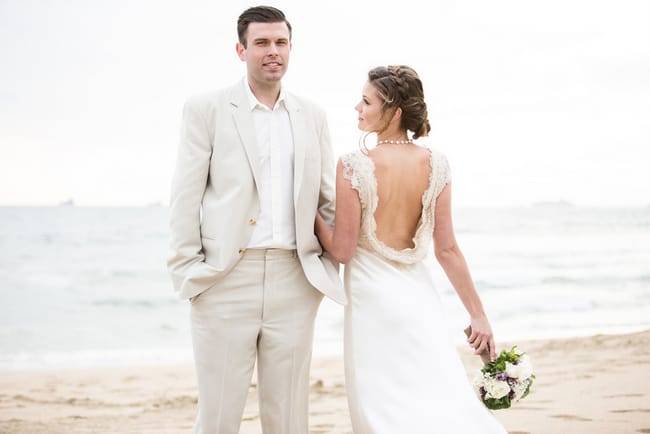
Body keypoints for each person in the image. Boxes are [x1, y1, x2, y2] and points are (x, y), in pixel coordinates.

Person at [167, 6, 345, 434]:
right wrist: (189, 271)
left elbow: (326, 200)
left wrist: (330, 263)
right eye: (262, 43)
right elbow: (185, 195)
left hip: (294, 280)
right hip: (226, 277)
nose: (272, 51)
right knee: (218, 416)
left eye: (280, 42)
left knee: (288, 416)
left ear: (290, 49)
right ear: (241, 49)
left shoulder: (312, 114)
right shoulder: (206, 108)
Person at [315, 65, 507, 433]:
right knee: (434, 392)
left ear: (395, 111)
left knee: (383, 405)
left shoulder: (354, 165)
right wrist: (478, 316)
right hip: (420, 298)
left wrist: (309, 214)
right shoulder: (437, 164)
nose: (357, 107)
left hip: (373, 299)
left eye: (366, 101)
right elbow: (447, 248)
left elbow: (342, 250)